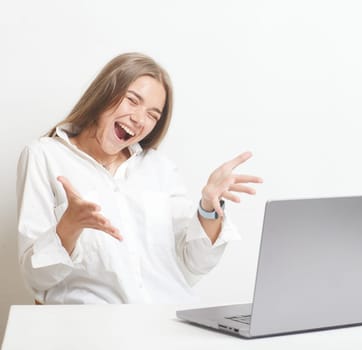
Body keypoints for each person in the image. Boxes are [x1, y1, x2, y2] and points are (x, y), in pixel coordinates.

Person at [16, 52, 262, 304]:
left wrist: (209, 207)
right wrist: (69, 226)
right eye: (132, 101)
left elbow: (193, 264)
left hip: (168, 320)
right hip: (93, 327)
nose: (139, 119)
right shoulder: (44, 155)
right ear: (105, 93)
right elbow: (36, 279)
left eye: (153, 115)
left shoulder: (159, 167)